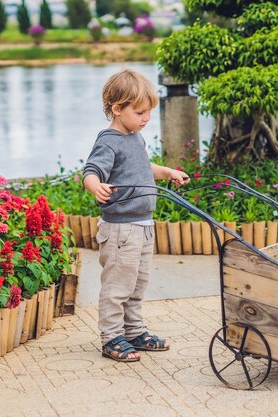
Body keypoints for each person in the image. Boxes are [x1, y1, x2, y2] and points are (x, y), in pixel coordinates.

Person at [82, 69, 190, 362]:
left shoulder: (135, 138)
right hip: (120, 229)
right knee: (118, 285)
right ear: (118, 109)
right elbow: (91, 171)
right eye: (140, 112)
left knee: (137, 283)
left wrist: (167, 172)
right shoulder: (109, 140)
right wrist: (96, 187)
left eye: (149, 112)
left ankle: (134, 331)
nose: (146, 118)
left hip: (143, 226)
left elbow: (143, 167)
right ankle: (112, 337)